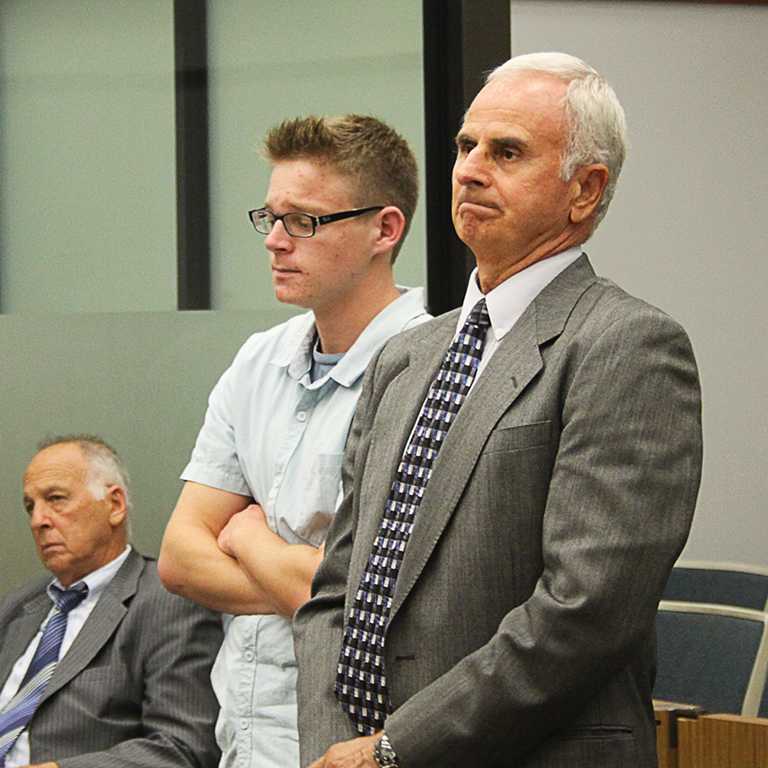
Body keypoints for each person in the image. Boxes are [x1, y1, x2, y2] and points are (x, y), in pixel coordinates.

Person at [294, 52, 703, 768]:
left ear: (585, 190)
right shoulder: (406, 355)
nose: (471, 169)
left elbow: (585, 613)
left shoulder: (626, 346)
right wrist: (335, 746)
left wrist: (395, 750)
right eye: (465, 146)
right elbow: (336, 590)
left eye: (507, 151)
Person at [158, 114, 428, 768]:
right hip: (244, 738)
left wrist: (248, 538)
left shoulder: (432, 362)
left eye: (303, 221)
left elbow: (386, 599)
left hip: (358, 740)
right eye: (270, 217)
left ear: (383, 230)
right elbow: (178, 558)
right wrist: (304, 579)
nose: (276, 242)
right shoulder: (259, 360)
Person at [0, 435, 221, 768]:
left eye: (55, 499)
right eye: (31, 506)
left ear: (115, 504)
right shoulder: (20, 605)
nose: (38, 520)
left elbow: (184, 747)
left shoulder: (169, 603)